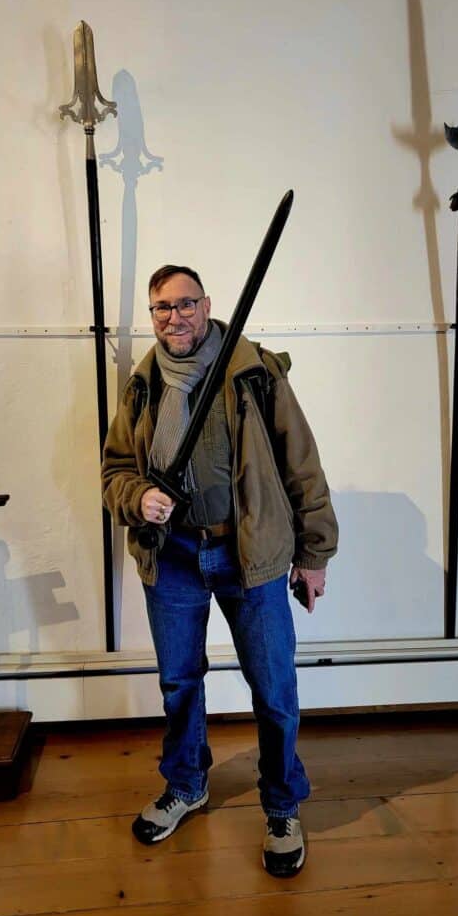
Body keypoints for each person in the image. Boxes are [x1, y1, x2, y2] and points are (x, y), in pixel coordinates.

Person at [101, 264, 338, 877]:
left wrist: (314, 553)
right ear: (151, 316)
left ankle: (282, 805)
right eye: (161, 308)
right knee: (180, 682)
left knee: (274, 690)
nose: (174, 317)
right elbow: (115, 471)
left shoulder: (254, 371)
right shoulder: (143, 385)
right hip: (172, 554)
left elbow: (302, 464)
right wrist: (138, 498)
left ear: (206, 306)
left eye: (184, 304)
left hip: (248, 555)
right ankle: (186, 784)